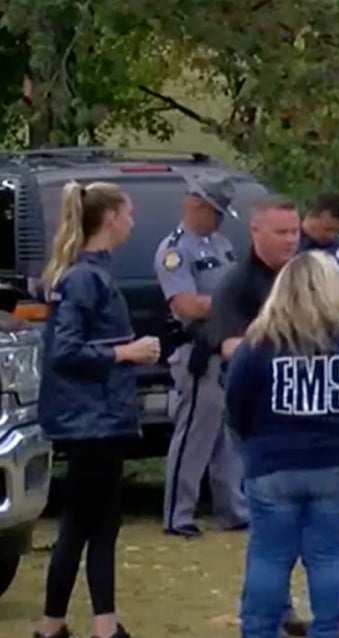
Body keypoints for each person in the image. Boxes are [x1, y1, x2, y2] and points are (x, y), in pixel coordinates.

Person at [225, 251, 339, 638]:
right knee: (327, 556)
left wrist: (254, 442)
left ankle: (258, 630)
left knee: (268, 556)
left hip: (273, 462)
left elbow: (236, 400)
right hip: (338, 463)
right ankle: (327, 631)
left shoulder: (259, 341)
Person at [34, 181, 161, 638]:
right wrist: (125, 352)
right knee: (93, 524)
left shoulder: (90, 274)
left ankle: (70, 623)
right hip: (91, 419)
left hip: (98, 416)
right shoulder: (85, 278)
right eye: (128, 213)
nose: (132, 222)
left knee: (89, 521)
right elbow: (66, 351)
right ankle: (88, 627)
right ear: (109, 218)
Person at [207, 194, 308, 637]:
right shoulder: (238, 284)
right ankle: (271, 608)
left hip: (303, 411)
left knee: (299, 521)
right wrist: (276, 336)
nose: (291, 240)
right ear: (255, 232)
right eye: (282, 232)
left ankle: (278, 603)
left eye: (294, 231)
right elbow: (228, 345)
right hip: (257, 415)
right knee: (269, 520)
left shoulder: (305, 276)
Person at [153, 174, 247, 538]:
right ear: (196, 205)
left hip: (226, 349)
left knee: (226, 435)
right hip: (197, 351)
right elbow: (186, 304)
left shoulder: (221, 244)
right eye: (215, 211)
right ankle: (178, 514)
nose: (220, 219)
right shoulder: (176, 251)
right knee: (194, 434)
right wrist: (227, 304)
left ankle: (233, 508)